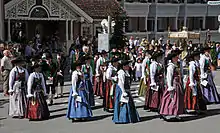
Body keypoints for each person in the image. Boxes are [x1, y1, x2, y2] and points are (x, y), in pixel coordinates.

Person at [159, 50, 184, 121]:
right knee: (170, 98)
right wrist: (170, 86)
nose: (177, 58)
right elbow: (169, 77)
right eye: (176, 57)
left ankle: (176, 113)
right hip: (173, 84)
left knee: (177, 99)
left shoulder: (176, 65)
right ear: (173, 58)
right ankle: (164, 112)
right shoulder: (171, 66)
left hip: (177, 84)